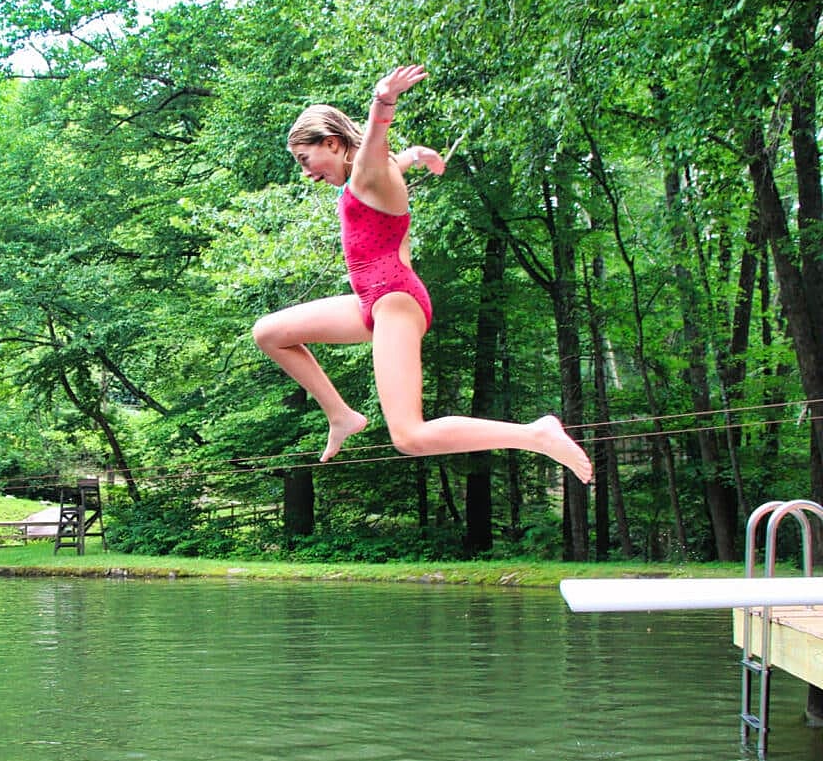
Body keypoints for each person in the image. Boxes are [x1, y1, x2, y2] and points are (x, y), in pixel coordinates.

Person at [252, 65, 592, 484]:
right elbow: (390, 161)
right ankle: (341, 415)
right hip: (372, 300)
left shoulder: (367, 170)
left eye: (306, 159)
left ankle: (534, 434)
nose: (306, 172)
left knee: (409, 436)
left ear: (332, 142)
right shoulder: (369, 176)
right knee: (269, 332)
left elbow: (376, 147)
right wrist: (415, 155)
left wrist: (383, 101)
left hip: (394, 299)